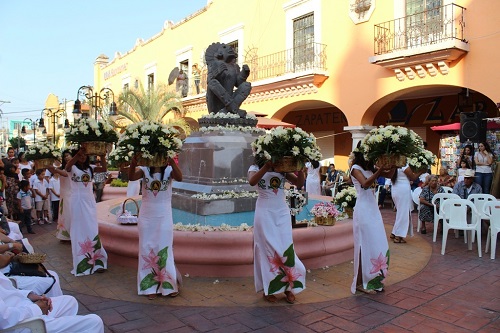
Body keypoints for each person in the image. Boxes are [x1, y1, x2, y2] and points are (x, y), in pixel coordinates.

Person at [248, 159, 306, 304]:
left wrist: (302, 170)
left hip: (282, 211)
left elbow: (298, 184)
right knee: (268, 249)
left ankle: (289, 288)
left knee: (285, 248)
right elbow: (252, 181)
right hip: (264, 211)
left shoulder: (282, 167)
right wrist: (266, 166)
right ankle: (270, 289)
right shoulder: (254, 167)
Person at [128, 154, 182, 300]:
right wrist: (133, 162)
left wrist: (171, 161)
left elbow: (180, 177)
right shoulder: (144, 170)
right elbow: (131, 177)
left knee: (165, 247)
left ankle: (168, 285)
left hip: (164, 215)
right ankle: (149, 287)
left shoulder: (169, 171)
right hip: (147, 216)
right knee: (146, 248)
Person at [349, 149, 394, 294]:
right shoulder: (355, 169)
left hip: (373, 210)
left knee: (377, 243)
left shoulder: (370, 168)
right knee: (364, 245)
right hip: (363, 210)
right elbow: (365, 184)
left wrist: (394, 163)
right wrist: (379, 170)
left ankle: (375, 278)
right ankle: (360, 283)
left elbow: (390, 175)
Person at [58, 147, 108, 276]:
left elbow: (104, 169)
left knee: (92, 228)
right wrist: (77, 154)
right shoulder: (72, 169)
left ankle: (97, 260)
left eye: (84, 155)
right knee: (79, 229)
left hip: (89, 201)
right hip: (77, 201)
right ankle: (83, 261)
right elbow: (68, 166)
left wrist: (102, 156)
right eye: (80, 155)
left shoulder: (90, 168)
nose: (82, 157)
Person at [0, 271, 104, 332]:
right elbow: (5, 319)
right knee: (94, 322)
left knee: (70, 302)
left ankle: (53, 324)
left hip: (24, 307)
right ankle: (50, 324)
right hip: (22, 323)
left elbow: (8, 289)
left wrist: (30, 295)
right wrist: (37, 308)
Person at [390, 165, 423, 243]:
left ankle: (394, 232)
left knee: (401, 212)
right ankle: (398, 235)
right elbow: (413, 177)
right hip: (402, 189)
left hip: (395, 188)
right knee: (403, 212)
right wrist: (421, 171)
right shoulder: (403, 164)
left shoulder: (394, 163)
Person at [49, 149, 75, 242]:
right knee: (63, 214)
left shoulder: (74, 168)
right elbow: (52, 169)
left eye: (68, 155)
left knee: (70, 214)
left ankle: (71, 235)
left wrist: (55, 169)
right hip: (63, 195)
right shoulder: (61, 167)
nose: (66, 157)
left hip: (71, 194)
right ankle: (64, 235)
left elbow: (65, 174)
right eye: (65, 156)